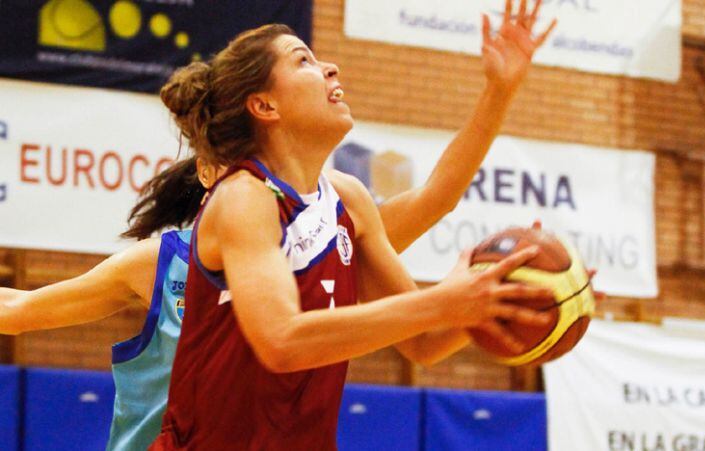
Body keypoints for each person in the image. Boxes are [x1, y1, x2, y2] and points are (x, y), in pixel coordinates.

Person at [147, 0, 556, 448]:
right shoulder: (244, 197)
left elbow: (425, 343)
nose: (331, 68)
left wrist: (509, 299)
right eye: (304, 60)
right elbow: (281, 341)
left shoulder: (347, 199)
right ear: (264, 105)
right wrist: (443, 301)